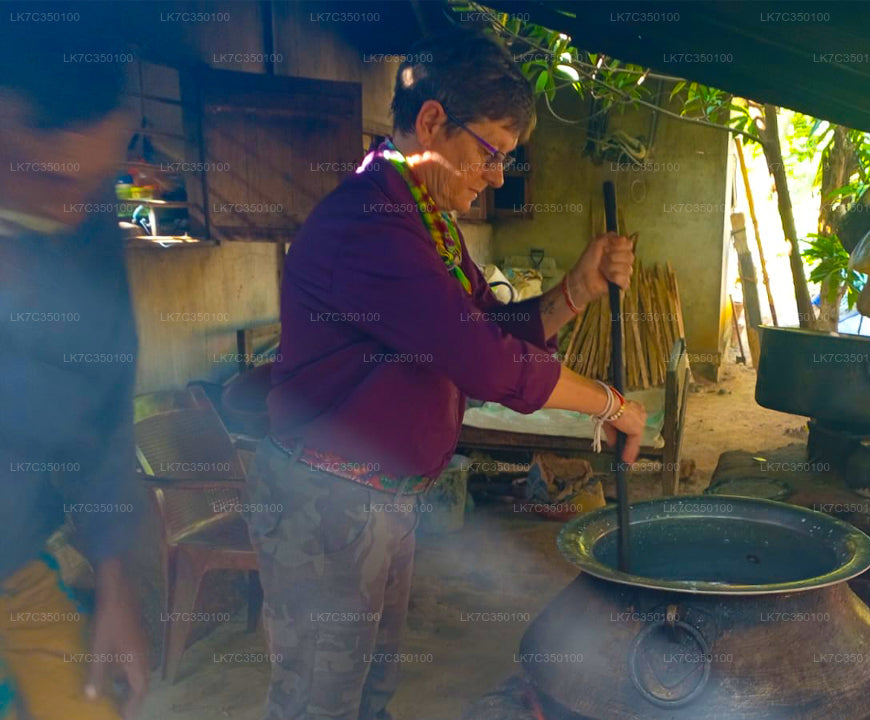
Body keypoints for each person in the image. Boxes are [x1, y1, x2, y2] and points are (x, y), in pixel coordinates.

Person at [245, 27, 643, 720]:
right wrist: (611, 405)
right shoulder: (370, 223)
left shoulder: (423, 216)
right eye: (491, 154)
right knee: (319, 702)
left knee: (368, 691)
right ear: (433, 121)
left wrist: (575, 290)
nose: (495, 176)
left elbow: (487, 328)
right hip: (327, 502)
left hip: (381, 501)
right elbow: (487, 364)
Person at [0, 21, 150, 720]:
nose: (74, 206)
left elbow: (104, 413)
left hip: (16, 565)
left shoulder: (83, 227)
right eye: (54, 174)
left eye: (98, 179)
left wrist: (115, 584)